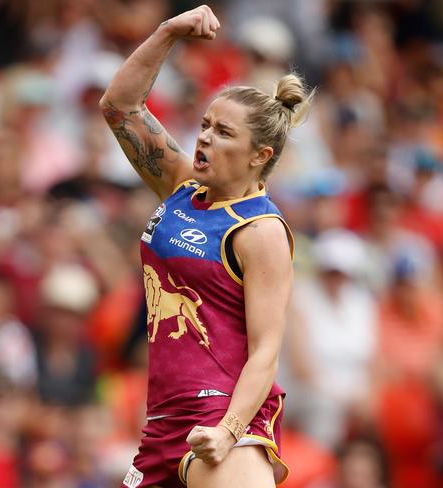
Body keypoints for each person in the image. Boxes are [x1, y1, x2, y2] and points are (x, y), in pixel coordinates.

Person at [98, 5, 312, 488]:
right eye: (206, 125)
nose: (205, 138)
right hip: (161, 424)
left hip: (222, 421)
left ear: (261, 156)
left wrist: (229, 431)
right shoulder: (181, 186)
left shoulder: (260, 230)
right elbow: (119, 108)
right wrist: (168, 31)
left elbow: (265, 353)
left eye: (224, 133)